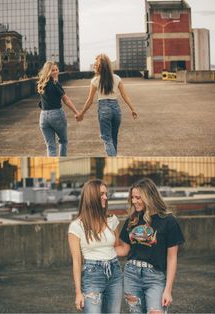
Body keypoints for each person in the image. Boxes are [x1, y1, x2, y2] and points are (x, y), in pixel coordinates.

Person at [115, 178, 185, 314]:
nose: (134, 201)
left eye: (138, 197)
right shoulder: (132, 219)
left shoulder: (168, 221)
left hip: (155, 278)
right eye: (132, 198)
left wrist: (168, 290)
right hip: (131, 275)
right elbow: (124, 250)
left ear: (149, 197)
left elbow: (172, 258)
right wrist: (98, 248)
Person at [68, 179, 123, 313]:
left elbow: (118, 247)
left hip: (115, 272)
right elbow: (77, 261)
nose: (105, 197)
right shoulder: (76, 226)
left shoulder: (112, 220)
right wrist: (78, 293)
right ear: (91, 197)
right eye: (102, 194)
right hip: (92, 275)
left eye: (106, 194)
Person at [76, 53, 137, 156]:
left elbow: (90, 100)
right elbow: (124, 95)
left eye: (96, 65)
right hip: (116, 109)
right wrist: (132, 109)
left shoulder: (95, 80)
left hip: (104, 109)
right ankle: (114, 163)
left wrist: (81, 113)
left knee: (107, 139)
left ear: (100, 67)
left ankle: (112, 162)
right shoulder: (117, 78)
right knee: (113, 138)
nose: (94, 66)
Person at [37, 61, 79, 156]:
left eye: (56, 70)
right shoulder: (55, 84)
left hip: (43, 117)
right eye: (53, 70)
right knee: (63, 141)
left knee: (50, 146)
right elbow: (66, 100)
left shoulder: (42, 84)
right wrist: (76, 112)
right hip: (56, 114)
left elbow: (41, 103)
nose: (56, 72)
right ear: (48, 71)